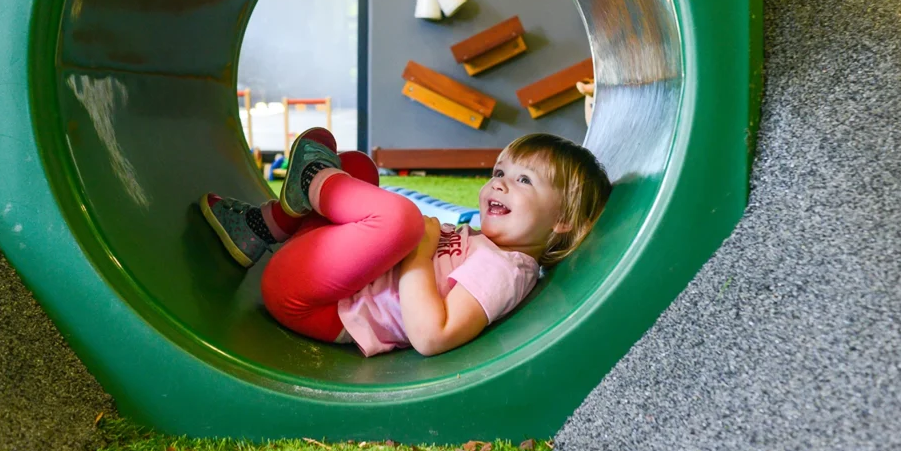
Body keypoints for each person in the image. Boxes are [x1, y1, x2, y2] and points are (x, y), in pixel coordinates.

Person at [200, 128, 611, 356]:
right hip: (333, 279)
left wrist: (420, 248)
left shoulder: (505, 270)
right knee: (358, 167)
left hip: (320, 305)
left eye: (524, 180)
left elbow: (432, 335)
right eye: (500, 172)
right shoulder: (489, 246)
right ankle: (263, 227)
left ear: (562, 220)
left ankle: (310, 183)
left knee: (403, 221)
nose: (500, 184)